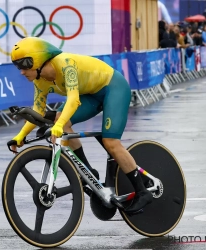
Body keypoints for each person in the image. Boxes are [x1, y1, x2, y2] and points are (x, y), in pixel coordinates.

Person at [9, 37, 153, 214]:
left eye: (24, 65)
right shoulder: (40, 80)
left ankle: (142, 191)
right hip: (90, 94)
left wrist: (60, 124)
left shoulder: (65, 64)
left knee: (110, 142)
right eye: (18, 67)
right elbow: (37, 110)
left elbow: (73, 99)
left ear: (37, 59)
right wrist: (20, 135)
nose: (22, 72)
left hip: (113, 88)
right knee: (60, 122)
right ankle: (88, 171)